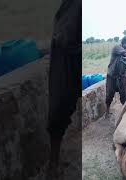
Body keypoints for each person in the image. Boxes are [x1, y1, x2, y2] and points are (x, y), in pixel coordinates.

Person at [47, 0, 80, 176]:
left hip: (73, 59)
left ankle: (54, 163)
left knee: (61, 111)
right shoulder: (74, 4)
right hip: (66, 62)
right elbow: (64, 37)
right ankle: (53, 164)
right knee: (58, 111)